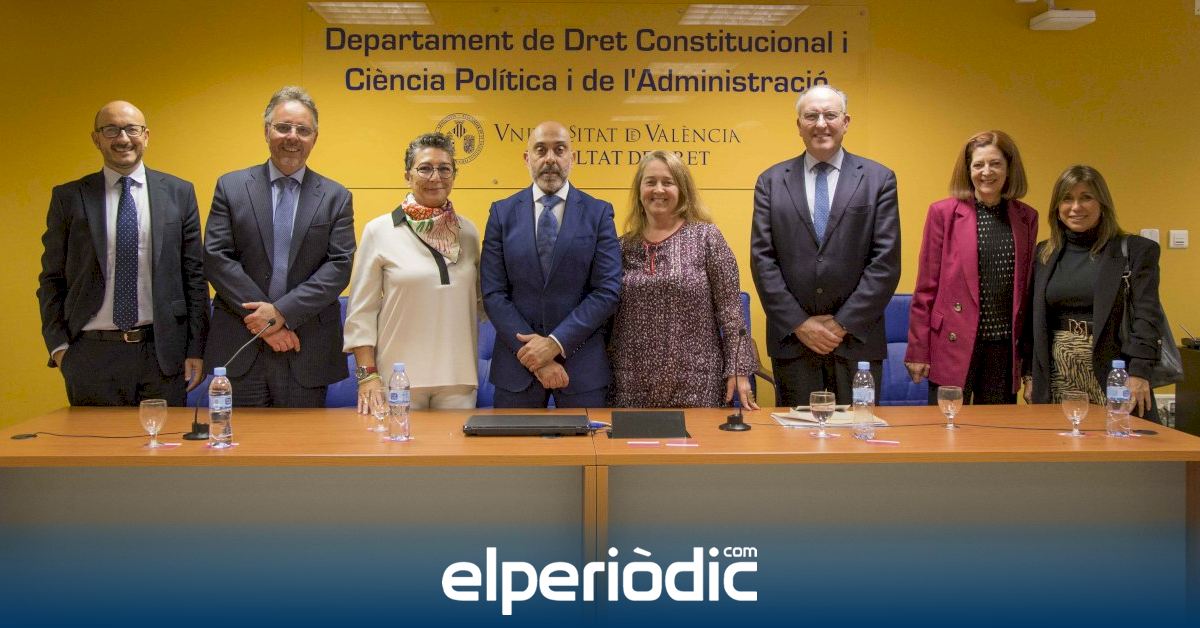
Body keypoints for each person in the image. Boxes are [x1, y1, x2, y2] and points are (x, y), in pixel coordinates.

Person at [37, 101, 209, 406]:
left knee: (165, 437)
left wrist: (196, 349)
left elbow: (194, 277)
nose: (123, 138)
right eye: (111, 130)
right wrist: (59, 347)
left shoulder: (179, 193)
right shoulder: (69, 197)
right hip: (91, 355)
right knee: (95, 438)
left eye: (132, 129)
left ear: (146, 136)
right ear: (96, 139)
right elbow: (51, 279)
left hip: (162, 354)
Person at [204, 86, 355, 407]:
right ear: (266, 131)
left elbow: (339, 267)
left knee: (303, 439)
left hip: (306, 348)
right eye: (283, 127)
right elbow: (217, 257)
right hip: (241, 344)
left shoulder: (336, 196)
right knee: (238, 437)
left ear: (315, 138)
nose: (292, 137)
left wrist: (282, 313)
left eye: (303, 130)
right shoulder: (231, 187)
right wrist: (267, 323)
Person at [749, 85, 900, 406]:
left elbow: (885, 262)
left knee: (858, 433)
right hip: (795, 343)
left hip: (857, 342)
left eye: (830, 115)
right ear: (798, 125)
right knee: (796, 434)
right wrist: (800, 324)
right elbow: (763, 260)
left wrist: (841, 325)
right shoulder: (770, 182)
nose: (821, 124)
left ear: (846, 122)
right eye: (811, 116)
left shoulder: (879, 179)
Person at [480, 120, 622, 408]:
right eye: (540, 150)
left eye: (559, 150)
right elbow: (494, 294)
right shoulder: (501, 214)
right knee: (512, 441)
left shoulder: (598, 213)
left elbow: (607, 291)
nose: (550, 159)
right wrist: (536, 357)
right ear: (527, 158)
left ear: (572, 157)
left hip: (581, 370)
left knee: (585, 441)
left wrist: (555, 343)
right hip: (517, 368)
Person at [608, 150, 759, 409]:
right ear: (639, 190)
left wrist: (738, 369)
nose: (658, 189)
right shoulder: (621, 247)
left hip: (697, 383)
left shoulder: (707, 238)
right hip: (629, 383)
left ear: (682, 189)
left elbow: (731, 310)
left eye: (668, 182)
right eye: (650, 182)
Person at [343, 133, 480, 411]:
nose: (435, 177)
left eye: (444, 169)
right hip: (398, 378)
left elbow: (481, 302)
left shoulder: (468, 232)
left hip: (458, 379)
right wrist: (367, 376)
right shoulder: (380, 230)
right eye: (425, 168)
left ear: (454, 175)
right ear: (408, 175)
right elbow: (361, 312)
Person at [904, 131, 1039, 404]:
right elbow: (926, 288)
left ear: (1009, 168)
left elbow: (1026, 294)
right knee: (947, 425)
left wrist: (1028, 363)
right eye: (978, 165)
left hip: (1003, 348)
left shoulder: (1027, 217)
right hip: (953, 343)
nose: (986, 172)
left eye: (995, 164)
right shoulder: (943, 213)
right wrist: (918, 349)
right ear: (968, 170)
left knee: (997, 428)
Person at [1024, 165, 1163, 421]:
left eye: (1086, 197)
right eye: (1067, 198)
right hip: (1058, 374)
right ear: (1057, 207)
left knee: (1119, 441)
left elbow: (1147, 315)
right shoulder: (1043, 253)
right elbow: (1033, 320)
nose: (1076, 207)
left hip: (1116, 372)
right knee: (1060, 441)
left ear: (1102, 204)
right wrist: (1030, 375)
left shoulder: (1135, 250)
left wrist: (1139, 372)